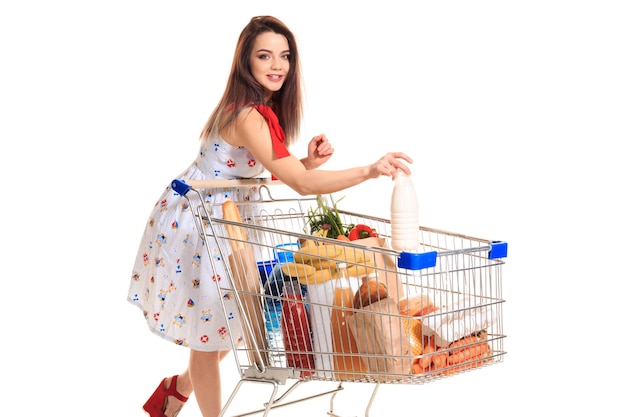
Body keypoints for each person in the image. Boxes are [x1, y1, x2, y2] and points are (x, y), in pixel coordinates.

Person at [128, 15, 413, 417]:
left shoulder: (258, 110)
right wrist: (368, 170)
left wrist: (307, 163)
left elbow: (261, 172)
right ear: (247, 61)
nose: (277, 65)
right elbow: (298, 184)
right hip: (202, 224)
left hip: (226, 218)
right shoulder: (247, 115)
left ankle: (174, 392)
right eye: (265, 56)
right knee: (211, 335)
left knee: (229, 323)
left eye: (285, 56)